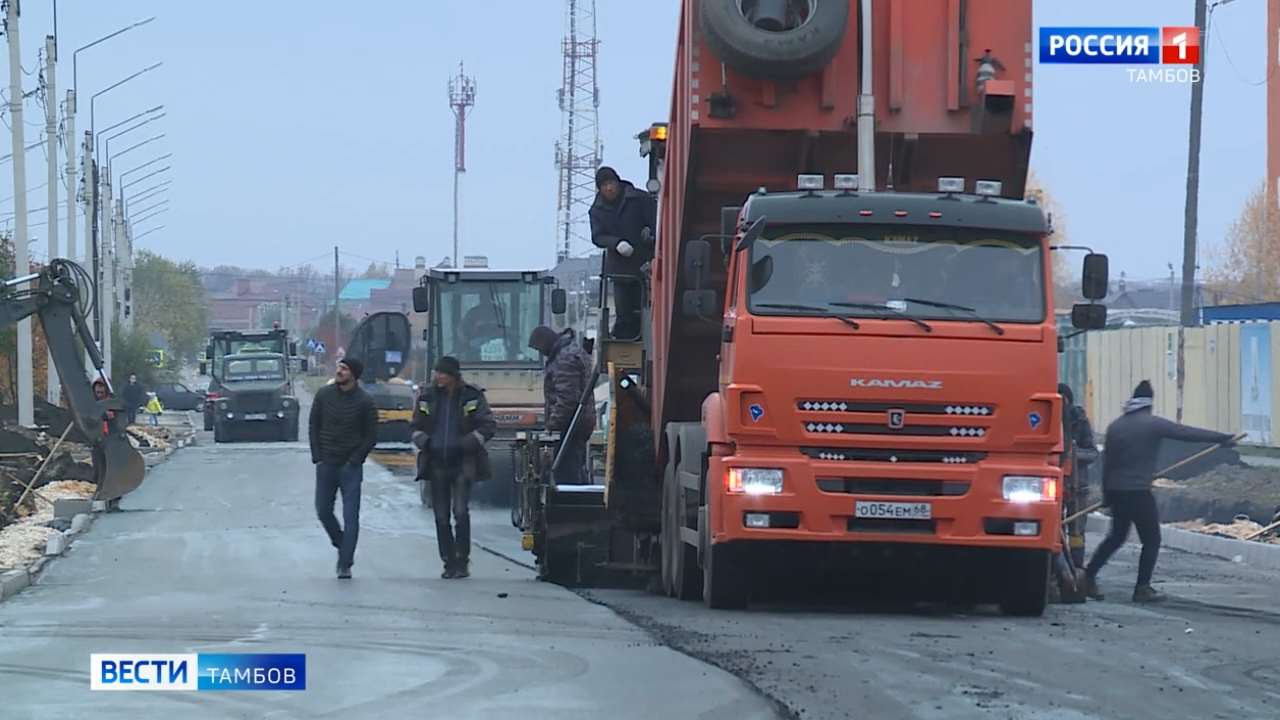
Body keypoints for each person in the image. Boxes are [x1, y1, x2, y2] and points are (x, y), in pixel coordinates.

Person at [1083, 380, 1236, 603]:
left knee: (1116, 537)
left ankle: (1088, 576)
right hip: (1138, 491)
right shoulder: (1152, 424)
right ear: (1149, 403)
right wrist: (1221, 438)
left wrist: (1107, 495)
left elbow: (1108, 463)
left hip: (1117, 490)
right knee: (1152, 539)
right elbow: (1185, 432)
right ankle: (1142, 588)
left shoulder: (1116, 426)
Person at [411, 356, 497, 579]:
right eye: (437, 372)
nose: (438, 376)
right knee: (440, 516)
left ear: (453, 375)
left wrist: (468, 443)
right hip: (436, 462)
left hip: (462, 463)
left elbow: (488, 425)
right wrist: (424, 442)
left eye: (443, 373)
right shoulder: (427, 397)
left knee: (460, 512)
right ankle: (448, 561)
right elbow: (415, 426)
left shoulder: (471, 395)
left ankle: (462, 560)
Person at [309, 357, 379, 580]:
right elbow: (314, 425)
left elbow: (371, 435)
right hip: (326, 463)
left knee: (351, 517)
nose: (339, 371)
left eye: (344, 369)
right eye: (339, 367)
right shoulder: (323, 395)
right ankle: (342, 544)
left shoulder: (365, 402)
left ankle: (345, 563)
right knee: (322, 510)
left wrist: (356, 459)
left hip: (350, 466)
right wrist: (317, 457)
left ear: (354, 375)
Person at [590, 166, 656, 339]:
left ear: (618, 182)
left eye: (611, 183)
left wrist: (649, 233)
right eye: (604, 185)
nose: (609, 188)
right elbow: (597, 236)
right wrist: (615, 243)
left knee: (645, 309)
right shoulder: (597, 210)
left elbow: (657, 221)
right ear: (600, 189)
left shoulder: (639, 199)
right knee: (624, 312)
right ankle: (624, 342)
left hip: (645, 263)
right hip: (620, 270)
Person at [528, 325, 595, 485]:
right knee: (575, 467)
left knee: (567, 474)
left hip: (571, 426)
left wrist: (552, 426)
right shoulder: (571, 352)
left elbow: (567, 400)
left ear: (545, 342)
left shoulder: (563, 359)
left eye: (539, 348)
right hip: (579, 423)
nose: (541, 353)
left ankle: (571, 507)